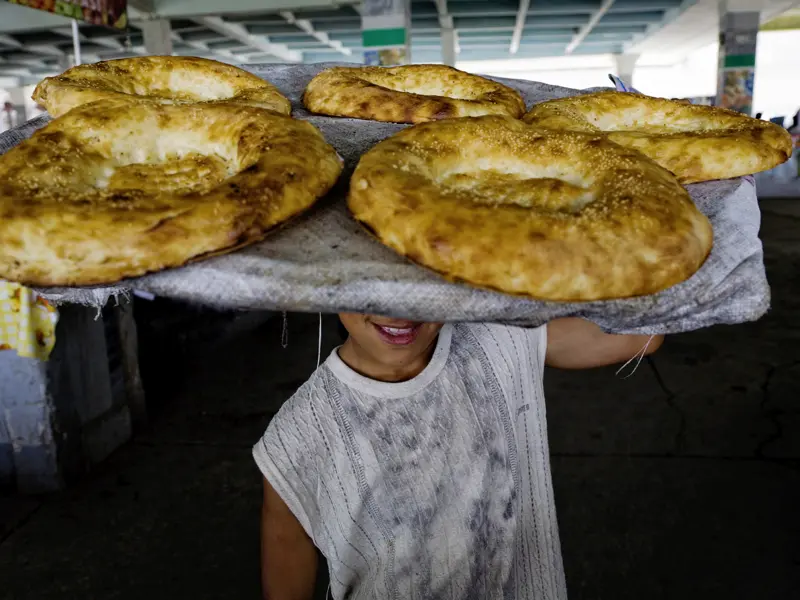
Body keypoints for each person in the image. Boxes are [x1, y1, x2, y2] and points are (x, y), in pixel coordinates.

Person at [254, 314, 663, 600]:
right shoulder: (298, 434)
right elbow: (287, 558)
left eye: (418, 278)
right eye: (372, 281)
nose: (399, 307)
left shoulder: (499, 338)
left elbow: (640, 335)